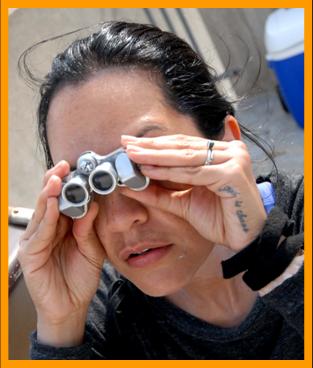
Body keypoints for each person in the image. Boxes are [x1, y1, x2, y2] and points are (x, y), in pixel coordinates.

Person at [17, 21, 304, 360]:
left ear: (224, 141)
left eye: (144, 166)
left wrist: (272, 254)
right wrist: (60, 324)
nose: (123, 218)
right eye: (87, 187)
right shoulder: (104, 317)